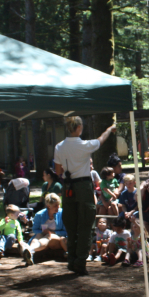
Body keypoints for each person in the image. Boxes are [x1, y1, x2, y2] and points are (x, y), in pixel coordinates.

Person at [53, 116, 117, 276]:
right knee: (86, 224)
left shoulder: (59, 147)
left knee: (71, 224)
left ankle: (71, 260)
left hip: (68, 187)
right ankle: (80, 263)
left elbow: (58, 171)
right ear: (79, 128)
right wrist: (109, 129)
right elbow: (101, 140)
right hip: (83, 186)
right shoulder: (84, 145)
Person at [21, 193, 67, 267]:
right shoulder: (40, 215)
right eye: (55, 205)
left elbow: (66, 232)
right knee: (38, 235)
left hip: (57, 240)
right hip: (43, 240)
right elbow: (35, 230)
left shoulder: (62, 214)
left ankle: (29, 249)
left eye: (58, 205)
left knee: (49, 236)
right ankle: (29, 252)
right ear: (49, 206)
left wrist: (53, 232)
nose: (58, 207)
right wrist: (43, 232)